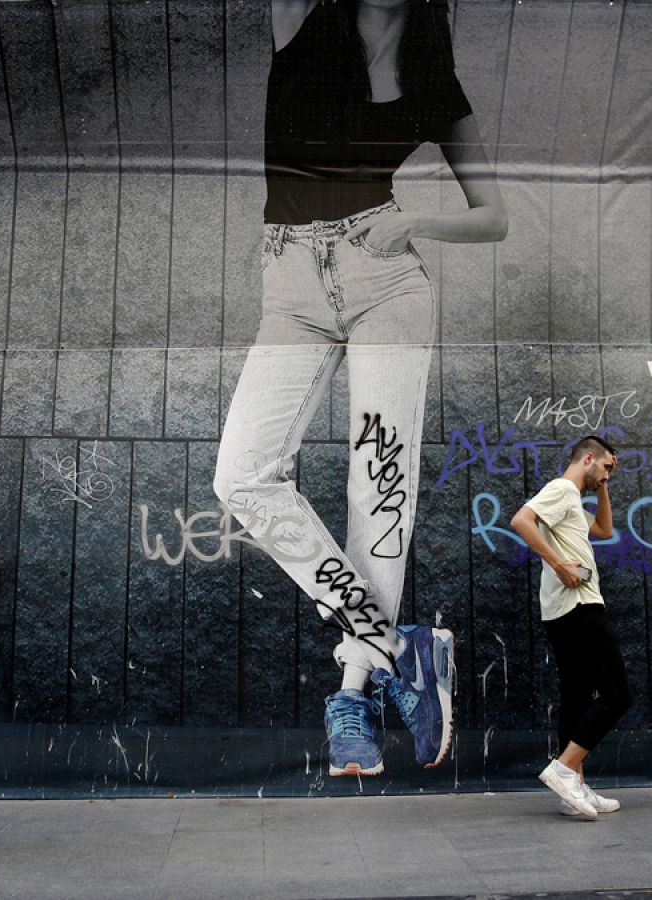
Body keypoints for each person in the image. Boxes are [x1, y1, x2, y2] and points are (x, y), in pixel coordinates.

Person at [213, 0, 508, 777]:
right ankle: (393, 643)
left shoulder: (435, 86)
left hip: (388, 282)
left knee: (378, 489)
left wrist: (416, 224)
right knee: (242, 475)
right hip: (292, 285)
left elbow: (495, 216)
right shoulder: (300, 24)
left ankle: (354, 695)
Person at [510, 436, 632, 819]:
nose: (609, 473)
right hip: (579, 606)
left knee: (577, 699)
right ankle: (563, 771)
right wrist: (561, 564)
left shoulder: (573, 500)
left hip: (562, 611)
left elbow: (605, 531)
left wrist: (603, 487)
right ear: (588, 458)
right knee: (618, 694)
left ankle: (573, 790)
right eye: (607, 466)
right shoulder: (562, 489)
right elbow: (520, 520)